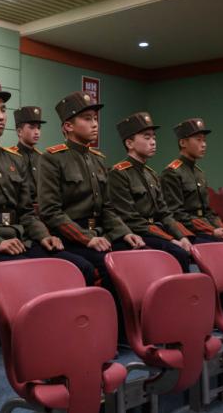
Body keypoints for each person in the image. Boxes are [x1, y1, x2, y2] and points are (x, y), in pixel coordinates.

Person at [0, 79, 96, 283]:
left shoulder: (14, 159)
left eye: (3, 109)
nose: (0, 116)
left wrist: (43, 236)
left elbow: (26, 212)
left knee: (78, 267)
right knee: (31, 276)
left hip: (21, 240)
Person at [37, 91, 144, 290]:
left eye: (95, 119)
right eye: (87, 119)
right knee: (107, 266)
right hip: (70, 237)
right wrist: (87, 239)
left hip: (100, 234)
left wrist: (124, 232)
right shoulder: (52, 158)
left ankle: (132, 318)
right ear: (68, 126)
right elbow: (50, 212)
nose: (95, 124)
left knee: (139, 252)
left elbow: (108, 208)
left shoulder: (98, 159)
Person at [110, 112, 202, 273]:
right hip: (137, 232)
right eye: (147, 137)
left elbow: (165, 213)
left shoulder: (150, 174)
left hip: (154, 230)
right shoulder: (119, 173)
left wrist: (181, 236)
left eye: (154, 137)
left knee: (188, 245)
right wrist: (171, 239)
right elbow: (130, 219)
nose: (153, 142)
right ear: (130, 143)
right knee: (178, 253)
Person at [160, 118, 223, 260]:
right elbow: (176, 214)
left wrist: (220, 228)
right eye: (198, 140)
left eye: (204, 140)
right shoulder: (172, 172)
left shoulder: (198, 172)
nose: (204, 145)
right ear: (183, 143)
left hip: (206, 229)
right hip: (189, 231)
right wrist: (212, 230)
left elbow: (208, 211)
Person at [6, 106, 45, 203]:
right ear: (19, 131)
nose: (37, 132)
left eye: (38, 128)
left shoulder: (42, 158)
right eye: (32, 127)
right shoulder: (9, 156)